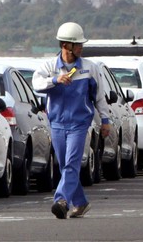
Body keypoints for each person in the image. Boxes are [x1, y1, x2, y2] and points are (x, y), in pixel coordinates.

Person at [33, 22, 111, 219]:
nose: (81, 48)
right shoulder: (49, 67)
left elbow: (99, 96)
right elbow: (36, 83)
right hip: (57, 122)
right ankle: (81, 203)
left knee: (72, 164)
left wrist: (105, 120)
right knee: (64, 165)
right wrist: (55, 80)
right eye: (77, 45)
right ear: (66, 45)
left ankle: (61, 200)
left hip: (79, 123)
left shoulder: (89, 69)